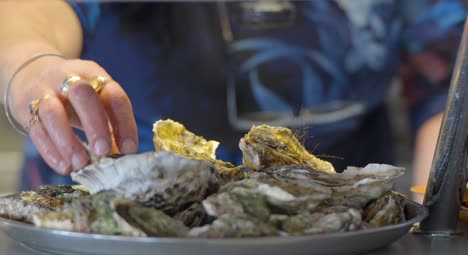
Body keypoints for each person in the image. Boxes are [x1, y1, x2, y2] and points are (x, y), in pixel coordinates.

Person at [0, 1, 461, 193]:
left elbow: (444, 93)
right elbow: (31, 12)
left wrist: (438, 208)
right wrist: (31, 64)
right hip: (106, 235)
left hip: (338, 233)